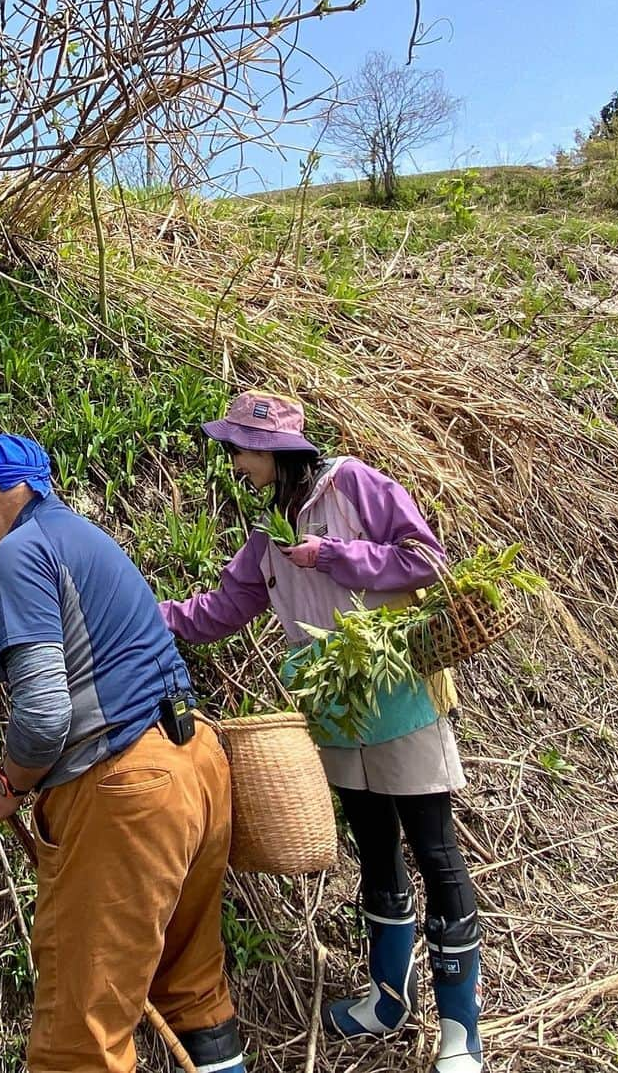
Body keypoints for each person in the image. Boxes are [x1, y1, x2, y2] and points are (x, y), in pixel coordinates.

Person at [159, 392, 483, 1073]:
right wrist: (134, 613)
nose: (234, 463)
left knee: (433, 846)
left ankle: (461, 1036)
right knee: (374, 847)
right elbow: (217, 611)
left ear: (273, 452)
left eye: (240, 450)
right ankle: (387, 999)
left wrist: (334, 556)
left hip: (398, 693)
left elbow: (426, 559)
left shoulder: (353, 484)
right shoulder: (266, 534)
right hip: (336, 705)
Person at [0, 434, 248, 1073]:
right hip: (197, 764)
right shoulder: (80, 538)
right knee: (193, 987)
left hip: (127, 792)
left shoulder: (15, 554)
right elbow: (43, 646)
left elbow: (42, 717)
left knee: (80, 1037)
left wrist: (7, 785)